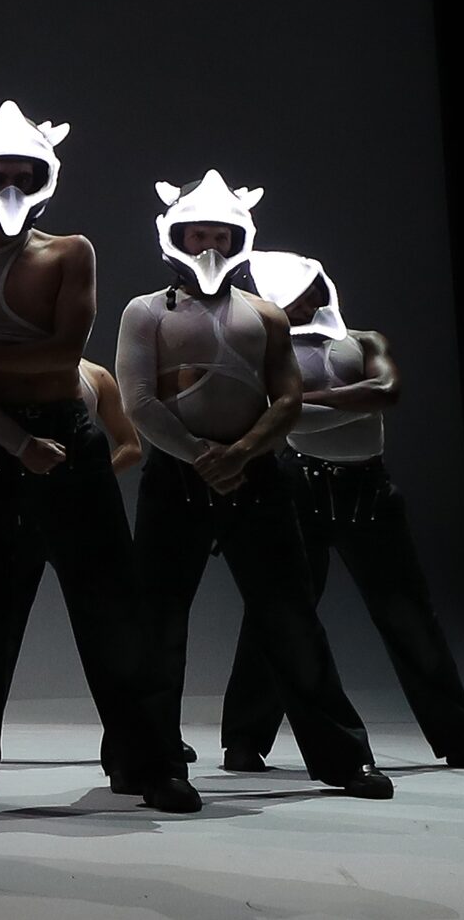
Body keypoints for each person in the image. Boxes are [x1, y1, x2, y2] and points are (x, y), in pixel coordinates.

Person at [0, 102, 198, 812]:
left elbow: (60, 352)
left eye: (22, 171)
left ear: (45, 177)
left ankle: (152, 762)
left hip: (65, 437)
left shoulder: (71, 250)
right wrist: (15, 441)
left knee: (114, 616)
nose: (8, 184)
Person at [117, 172, 393, 798]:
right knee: (158, 624)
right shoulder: (145, 312)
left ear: (242, 237)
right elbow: (137, 400)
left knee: (290, 616)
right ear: (174, 237)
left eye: (222, 234)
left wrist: (240, 453)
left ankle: (343, 756)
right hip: (177, 477)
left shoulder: (266, 315)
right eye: (198, 234)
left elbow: (287, 397)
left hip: (257, 477)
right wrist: (199, 456)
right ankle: (150, 763)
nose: (210, 246)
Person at [219, 259, 464, 773]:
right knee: (280, 617)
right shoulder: (266, 350)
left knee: (409, 616)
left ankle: (463, 737)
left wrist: (294, 402)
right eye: (294, 294)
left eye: (313, 290)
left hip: (368, 489)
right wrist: (314, 405)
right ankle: (244, 739)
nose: (307, 302)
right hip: (298, 486)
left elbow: (387, 391)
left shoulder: (363, 340)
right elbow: (263, 413)